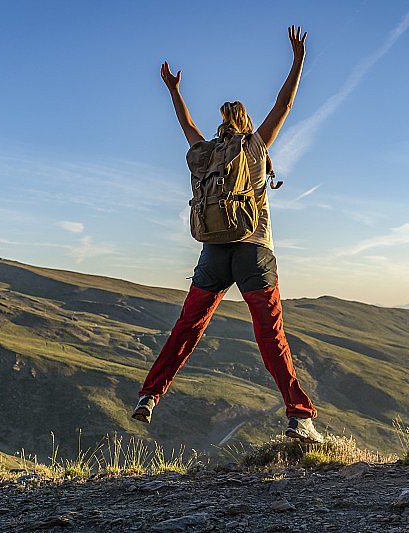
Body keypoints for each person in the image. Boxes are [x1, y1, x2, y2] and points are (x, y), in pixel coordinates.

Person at [133, 25, 322, 444]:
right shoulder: (255, 146)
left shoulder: (206, 152)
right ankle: (300, 417)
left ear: (222, 124)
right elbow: (285, 103)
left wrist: (173, 89)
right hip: (254, 251)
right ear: (248, 123)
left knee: (187, 326)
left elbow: (185, 124)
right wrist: (297, 59)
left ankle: (149, 394)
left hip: (213, 253)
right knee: (270, 335)